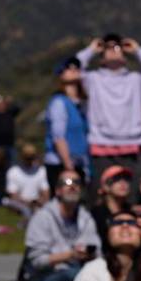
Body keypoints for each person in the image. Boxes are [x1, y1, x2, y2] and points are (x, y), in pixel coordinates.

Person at [75, 34, 141, 198]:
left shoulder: (136, 80)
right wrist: (91, 50)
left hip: (132, 146)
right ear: (101, 58)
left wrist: (138, 50)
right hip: (101, 146)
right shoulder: (93, 79)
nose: (114, 51)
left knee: (131, 195)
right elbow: (73, 69)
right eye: (108, 48)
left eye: (118, 48)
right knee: (101, 195)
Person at [21, 170, 100, 281]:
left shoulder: (85, 218)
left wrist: (89, 254)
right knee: (76, 275)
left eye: (77, 182)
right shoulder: (42, 218)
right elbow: (37, 261)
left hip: (76, 271)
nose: (72, 186)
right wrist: (71, 255)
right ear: (57, 190)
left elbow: (97, 253)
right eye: (67, 183)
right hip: (43, 279)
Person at [43, 58, 89, 191]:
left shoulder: (81, 104)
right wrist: (68, 164)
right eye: (68, 67)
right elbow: (58, 136)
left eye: (77, 67)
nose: (74, 69)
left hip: (79, 161)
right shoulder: (59, 102)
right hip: (61, 163)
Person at [3, 143, 49, 219]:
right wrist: (29, 203)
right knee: (25, 210)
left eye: (31, 157)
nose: (30, 160)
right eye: (28, 157)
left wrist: (39, 201)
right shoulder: (13, 171)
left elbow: (46, 193)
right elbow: (13, 196)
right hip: (19, 203)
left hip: (36, 202)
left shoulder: (41, 170)